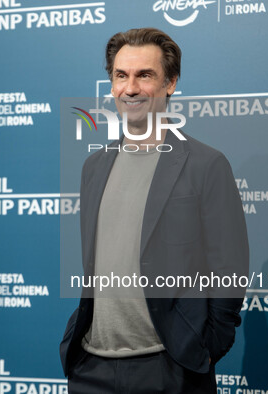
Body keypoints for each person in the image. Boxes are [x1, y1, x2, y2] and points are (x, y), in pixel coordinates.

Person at [60, 27, 249, 393]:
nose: (130, 88)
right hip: (91, 367)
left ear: (171, 83)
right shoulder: (94, 167)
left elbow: (230, 267)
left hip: (169, 367)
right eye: (120, 76)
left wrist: (209, 346)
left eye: (144, 75)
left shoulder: (205, 164)